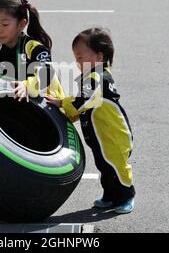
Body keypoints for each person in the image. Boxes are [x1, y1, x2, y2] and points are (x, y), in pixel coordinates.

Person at [45, 28, 135, 214]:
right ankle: (110, 195)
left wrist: (61, 103)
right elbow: (85, 106)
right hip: (101, 135)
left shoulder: (97, 77)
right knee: (104, 166)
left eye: (80, 57)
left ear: (99, 56)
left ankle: (126, 195)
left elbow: (83, 101)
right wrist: (67, 114)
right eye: (76, 58)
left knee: (116, 167)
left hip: (113, 135)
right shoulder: (92, 77)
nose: (77, 62)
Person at [0, 0, 64, 101]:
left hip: (49, 105)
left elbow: (46, 74)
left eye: (5, 24)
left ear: (21, 24)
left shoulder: (34, 49)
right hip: (21, 105)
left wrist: (26, 86)